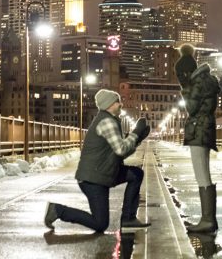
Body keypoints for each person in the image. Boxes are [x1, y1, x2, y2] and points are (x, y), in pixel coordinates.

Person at [43, 88, 151, 232]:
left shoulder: (110, 120)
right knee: (100, 224)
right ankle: (58, 210)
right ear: (110, 104)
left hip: (104, 172)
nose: (121, 104)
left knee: (136, 174)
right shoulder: (107, 122)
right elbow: (121, 149)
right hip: (93, 179)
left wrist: (137, 139)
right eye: (118, 101)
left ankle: (128, 218)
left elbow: (119, 153)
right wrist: (136, 133)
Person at [174, 44, 221, 234]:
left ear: (185, 72)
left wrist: (185, 90)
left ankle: (208, 220)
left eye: (180, 76)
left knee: (202, 174)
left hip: (199, 129)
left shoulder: (197, 83)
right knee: (203, 173)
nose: (181, 80)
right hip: (204, 128)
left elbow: (192, 109)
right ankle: (208, 218)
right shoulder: (206, 80)